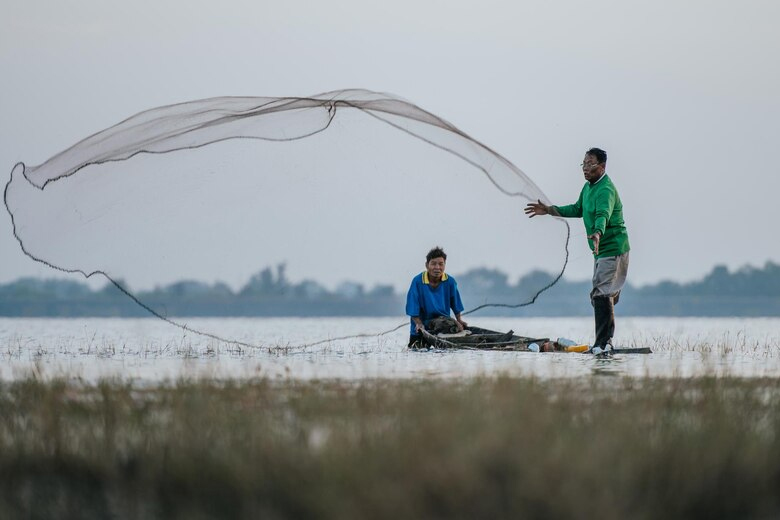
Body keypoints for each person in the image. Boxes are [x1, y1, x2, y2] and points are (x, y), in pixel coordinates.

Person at [524, 147, 630, 355]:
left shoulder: (605, 190)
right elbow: (577, 209)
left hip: (613, 247)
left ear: (602, 166)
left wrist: (598, 232)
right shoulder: (587, 188)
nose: (585, 168)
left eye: (590, 164)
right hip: (600, 251)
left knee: (600, 294)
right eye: (583, 164)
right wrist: (549, 210)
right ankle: (604, 338)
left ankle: (604, 343)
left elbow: (603, 214)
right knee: (601, 295)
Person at [406, 247, 468, 347]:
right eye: (433, 264)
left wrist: (459, 320)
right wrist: (418, 323)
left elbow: (455, 303)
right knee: (416, 349)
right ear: (427, 265)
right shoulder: (418, 281)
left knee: (451, 328)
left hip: (442, 324)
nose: (437, 267)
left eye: (440, 264)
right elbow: (412, 306)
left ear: (445, 265)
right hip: (422, 326)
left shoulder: (450, 281)